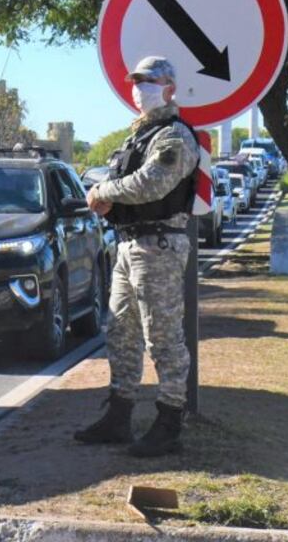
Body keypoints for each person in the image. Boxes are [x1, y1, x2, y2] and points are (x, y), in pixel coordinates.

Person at [75, 56, 200, 457]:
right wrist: (108, 197)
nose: (139, 88)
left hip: (158, 247)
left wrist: (105, 193)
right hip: (129, 244)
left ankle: (169, 421)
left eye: (148, 81)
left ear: (169, 86)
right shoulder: (139, 137)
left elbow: (152, 183)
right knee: (121, 332)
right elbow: (126, 182)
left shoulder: (174, 136)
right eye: (135, 82)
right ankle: (118, 415)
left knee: (162, 337)